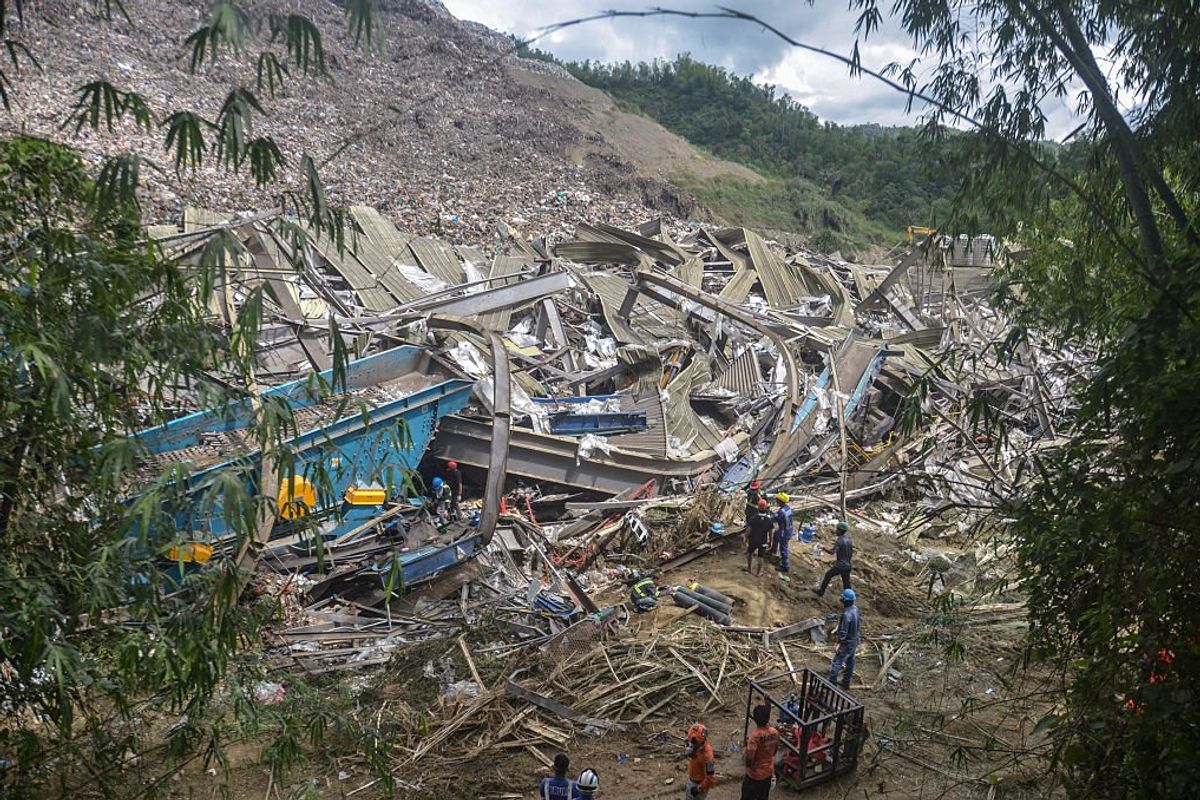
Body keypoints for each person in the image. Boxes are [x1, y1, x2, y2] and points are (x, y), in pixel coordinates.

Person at [741, 704, 779, 800]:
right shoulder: (774, 732)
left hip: (754, 775)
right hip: (768, 772)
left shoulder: (754, 737)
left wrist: (747, 763)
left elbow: (749, 759)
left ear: (754, 718)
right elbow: (774, 751)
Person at [811, 521, 853, 597]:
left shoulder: (839, 540)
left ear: (840, 531)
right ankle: (850, 599)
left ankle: (821, 592)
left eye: (837, 529)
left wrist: (823, 547)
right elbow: (850, 553)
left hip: (841, 564)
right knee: (846, 583)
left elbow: (832, 552)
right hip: (848, 565)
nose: (836, 531)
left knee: (828, 575)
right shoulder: (849, 540)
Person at [829, 589, 861, 690]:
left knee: (837, 662)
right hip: (854, 640)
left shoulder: (846, 614)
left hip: (847, 642)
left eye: (842, 598)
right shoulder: (855, 609)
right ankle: (846, 683)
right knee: (850, 662)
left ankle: (831, 683)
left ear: (845, 600)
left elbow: (843, 632)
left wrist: (839, 643)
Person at [683, 723, 718, 799]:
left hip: (698, 785)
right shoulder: (697, 745)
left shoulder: (708, 757)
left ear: (697, 742)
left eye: (692, 743)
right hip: (691, 780)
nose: (690, 744)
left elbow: (711, 778)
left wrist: (699, 788)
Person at [746, 499, 773, 576]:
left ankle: (748, 568)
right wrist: (770, 541)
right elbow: (770, 533)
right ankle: (758, 573)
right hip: (763, 541)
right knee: (760, 557)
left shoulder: (753, 518)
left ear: (758, 507)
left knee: (750, 553)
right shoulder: (768, 520)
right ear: (766, 508)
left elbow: (749, 530)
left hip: (753, 540)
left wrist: (745, 537)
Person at [772, 493, 794, 573]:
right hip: (789, 528)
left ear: (780, 501)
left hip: (784, 531)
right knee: (775, 535)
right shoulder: (787, 508)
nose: (776, 501)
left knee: (783, 547)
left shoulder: (781, 512)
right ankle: (773, 550)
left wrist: (768, 516)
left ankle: (785, 566)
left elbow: (774, 519)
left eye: (777, 500)